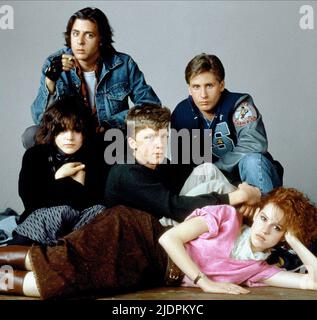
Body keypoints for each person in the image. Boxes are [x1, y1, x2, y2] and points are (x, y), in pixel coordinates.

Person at [0, 187, 317, 299]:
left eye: (276, 229)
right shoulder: (225, 216)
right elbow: (169, 237)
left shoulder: (256, 269)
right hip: (139, 235)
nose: (265, 230)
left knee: (60, 281)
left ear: (283, 239)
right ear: (256, 212)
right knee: (57, 271)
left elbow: (312, 284)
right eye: (264, 218)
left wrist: (295, 240)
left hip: (144, 272)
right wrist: (203, 281)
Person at [23, 7, 161, 148]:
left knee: (140, 137)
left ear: (101, 39)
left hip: (110, 136)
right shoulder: (54, 63)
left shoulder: (123, 64)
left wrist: (111, 123)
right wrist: (50, 81)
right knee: (30, 135)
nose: (80, 41)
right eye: (75, 34)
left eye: (89, 35)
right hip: (72, 137)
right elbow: (40, 119)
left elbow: (151, 106)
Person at [104, 105, 261, 223]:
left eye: (163, 136)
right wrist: (239, 196)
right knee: (218, 188)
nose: (159, 144)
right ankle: (257, 224)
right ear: (132, 143)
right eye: (149, 138)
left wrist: (241, 186)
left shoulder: (159, 163)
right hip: (155, 232)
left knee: (207, 169)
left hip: (169, 214)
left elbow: (194, 172)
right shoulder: (126, 173)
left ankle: (254, 218)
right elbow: (175, 207)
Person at [171, 53, 283, 193]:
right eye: (196, 87)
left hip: (250, 177)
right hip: (213, 183)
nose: (203, 94)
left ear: (221, 85)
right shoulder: (182, 113)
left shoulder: (239, 105)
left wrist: (216, 168)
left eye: (209, 86)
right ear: (189, 89)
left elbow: (254, 143)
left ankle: (265, 211)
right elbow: (182, 165)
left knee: (253, 161)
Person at [7, 96, 106, 246]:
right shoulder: (35, 155)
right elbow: (32, 202)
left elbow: (93, 202)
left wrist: (75, 186)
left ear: (85, 133)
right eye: (62, 130)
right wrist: (60, 178)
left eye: (77, 131)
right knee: (55, 213)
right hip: (42, 221)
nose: (70, 137)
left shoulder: (94, 156)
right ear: (52, 131)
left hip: (79, 224)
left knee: (101, 213)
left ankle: (59, 253)